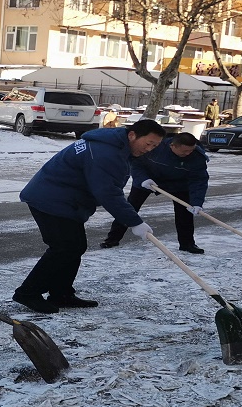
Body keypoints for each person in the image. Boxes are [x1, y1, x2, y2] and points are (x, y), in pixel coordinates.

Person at [13, 119, 167, 314]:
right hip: (51, 199)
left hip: (65, 199)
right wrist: (134, 222)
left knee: (75, 246)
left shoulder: (118, 145)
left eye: (154, 146)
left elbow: (130, 168)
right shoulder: (106, 152)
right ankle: (27, 293)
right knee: (64, 247)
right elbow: (108, 193)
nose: (150, 149)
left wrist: (142, 178)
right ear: (132, 135)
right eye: (148, 143)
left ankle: (61, 294)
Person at [101, 132, 209, 254]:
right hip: (149, 180)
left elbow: (199, 180)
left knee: (185, 213)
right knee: (130, 208)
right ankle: (112, 239)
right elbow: (136, 163)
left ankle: (187, 244)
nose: (188, 153)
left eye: (191, 150)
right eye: (184, 151)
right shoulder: (156, 147)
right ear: (172, 146)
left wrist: (197, 202)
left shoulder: (197, 157)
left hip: (179, 184)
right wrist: (143, 179)